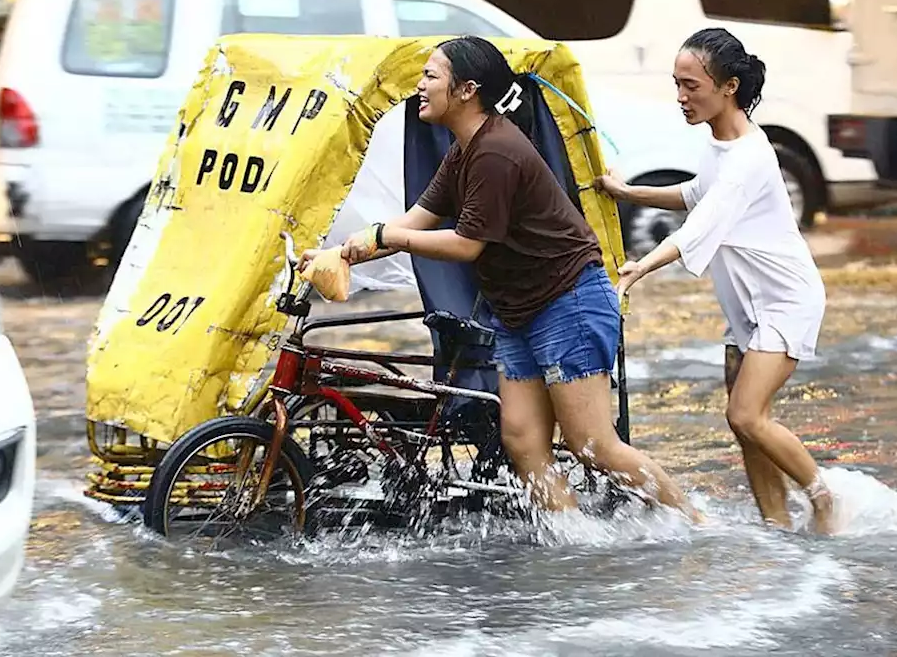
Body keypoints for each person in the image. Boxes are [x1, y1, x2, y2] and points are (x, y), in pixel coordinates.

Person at [300, 35, 702, 523]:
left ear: (467, 89)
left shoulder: (496, 152)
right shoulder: (463, 149)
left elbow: (467, 244)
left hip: (569, 301)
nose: (420, 86)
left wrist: (388, 237)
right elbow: (416, 219)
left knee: (591, 445)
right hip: (517, 312)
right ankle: (576, 542)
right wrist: (339, 253)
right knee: (522, 440)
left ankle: (697, 524)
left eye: (431, 76)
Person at [596, 27, 837, 534]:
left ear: (729, 86)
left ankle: (824, 501)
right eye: (677, 85)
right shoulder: (718, 145)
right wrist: (625, 192)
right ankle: (776, 525)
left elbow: (701, 224)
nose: (681, 98)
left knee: (746, 416)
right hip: (745, 306)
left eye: (692, 86)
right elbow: (694, 194)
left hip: (785, 300)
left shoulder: (749, 156)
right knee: (748, 428)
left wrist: (641, 267)